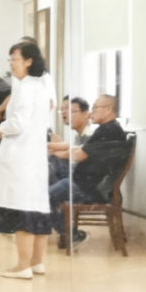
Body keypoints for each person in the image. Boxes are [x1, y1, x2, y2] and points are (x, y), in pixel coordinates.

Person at [0, 41, 53, 279]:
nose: (11, 64)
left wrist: (1, 127)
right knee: (38, 209)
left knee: (22, 211)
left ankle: (23, 265)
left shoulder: (25, 88)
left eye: (14, 59)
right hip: (34, 157)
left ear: (28, 61)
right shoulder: (41, 85)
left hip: (21, 156)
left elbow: (18, 123)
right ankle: (36, 262)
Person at [49, 94, 129, 249]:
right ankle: (65, 230)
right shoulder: (108, 129)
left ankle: (69, 234)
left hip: (88, 189)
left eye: (95, 107)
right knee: (52, 167)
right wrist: (57, 151)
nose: (92, 111)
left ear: (108, 109)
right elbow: (80, 149)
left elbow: (79, 155)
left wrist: (60, 153)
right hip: (86, 184)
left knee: (44, 196)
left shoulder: (108, 131)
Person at [47, 96, 92, 183]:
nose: (66, 113)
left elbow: (71, 151)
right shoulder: (78, 136)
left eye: (72, 111)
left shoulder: (89, 135)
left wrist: (52, 151)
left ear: (85, 114)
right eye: (62, 109)